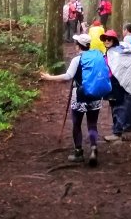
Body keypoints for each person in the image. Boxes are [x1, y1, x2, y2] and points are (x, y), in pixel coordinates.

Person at [39, 34, 107, 165]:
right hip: (96, 94)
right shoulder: (98, 56)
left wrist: (49, 77)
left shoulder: (77, 60)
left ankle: (78, 152)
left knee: (77, 124)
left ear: (78, 46)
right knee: (92, 124)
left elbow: (68, 76)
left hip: (80, 95)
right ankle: (93, 148)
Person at [102, 30, 131, 141]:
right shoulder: (112, 52)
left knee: (119, 108)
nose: (107, 41)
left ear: (114, 40)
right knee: (115, 107)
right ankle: (118, 131)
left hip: (118, 83)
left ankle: (117, 133)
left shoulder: (117, 53)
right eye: (105, 39)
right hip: (113, 82)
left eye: (109, 39)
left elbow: (118, 68)